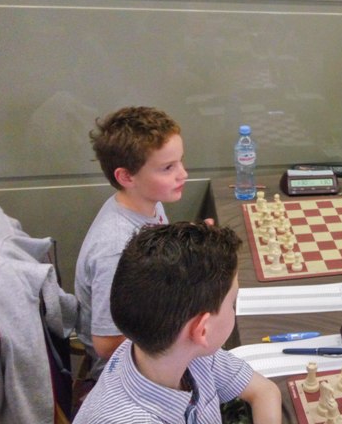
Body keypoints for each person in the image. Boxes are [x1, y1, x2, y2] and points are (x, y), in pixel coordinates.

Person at [73, 221, 282, 423]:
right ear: (202, 330)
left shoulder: (181, 349)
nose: (233, 310)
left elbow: (265, 391)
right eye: (232, 303)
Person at [74, 106, 189, 378]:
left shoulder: (148, 202)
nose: (183, 174)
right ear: (126, 177)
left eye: (180, 162)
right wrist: (180, 328)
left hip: (155, 324)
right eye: (168, 168)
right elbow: (106, 345)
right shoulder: (116, 249)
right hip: (125, 372)